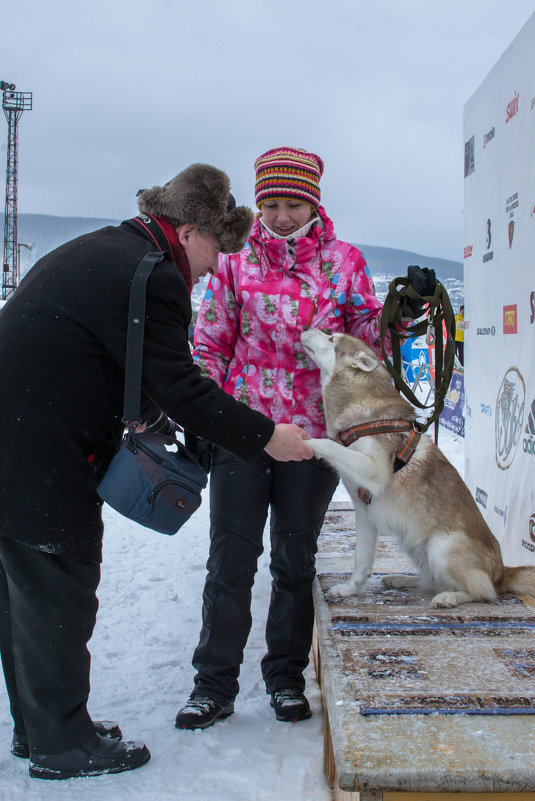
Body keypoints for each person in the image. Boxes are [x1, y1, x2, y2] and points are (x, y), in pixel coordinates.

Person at [0, 163, 314, 781]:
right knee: (59, 592)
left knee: (25, 597)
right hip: (39, 453)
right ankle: (61, 747)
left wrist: (138, 408)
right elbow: (183, 386)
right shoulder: (156, 274)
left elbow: (117, 353)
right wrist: (267, 436)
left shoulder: (107, 249)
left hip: (19, 440)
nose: (208, 270)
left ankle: (42, 727)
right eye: (212, 252)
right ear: (190, 229)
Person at [175, 146, 432, 731]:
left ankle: (285, 677)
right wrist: (212, 418)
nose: (283, 216)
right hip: (246, 432)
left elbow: (369, 340)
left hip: (314, 438)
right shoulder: (235, 260)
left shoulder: (344, 263)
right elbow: (211, 343)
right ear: (258, 202)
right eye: (272, 203)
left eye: (294, 203)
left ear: (313, 202)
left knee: (294, 560)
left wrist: (404, 312)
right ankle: (212, 685)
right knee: (231, 560)